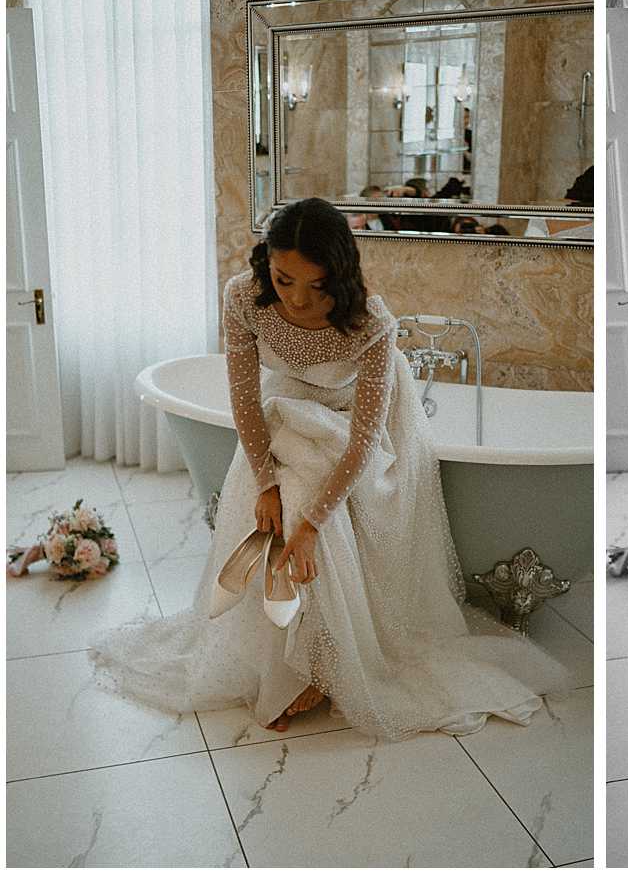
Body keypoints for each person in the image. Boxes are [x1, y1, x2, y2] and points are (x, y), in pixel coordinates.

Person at [91, 197, 569, 738]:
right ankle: (283, 659)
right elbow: (244, 400)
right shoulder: (245, 298)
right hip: (284, 412)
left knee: (305, 512)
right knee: (274, 497)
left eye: (315, 286)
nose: (296, 298)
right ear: (266, 264)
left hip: (350, 427)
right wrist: (265, 483)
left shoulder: (370, 324)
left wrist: (313, 524)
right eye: (283, 278)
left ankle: (321, 662)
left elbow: (364, 440)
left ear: (337, 277)